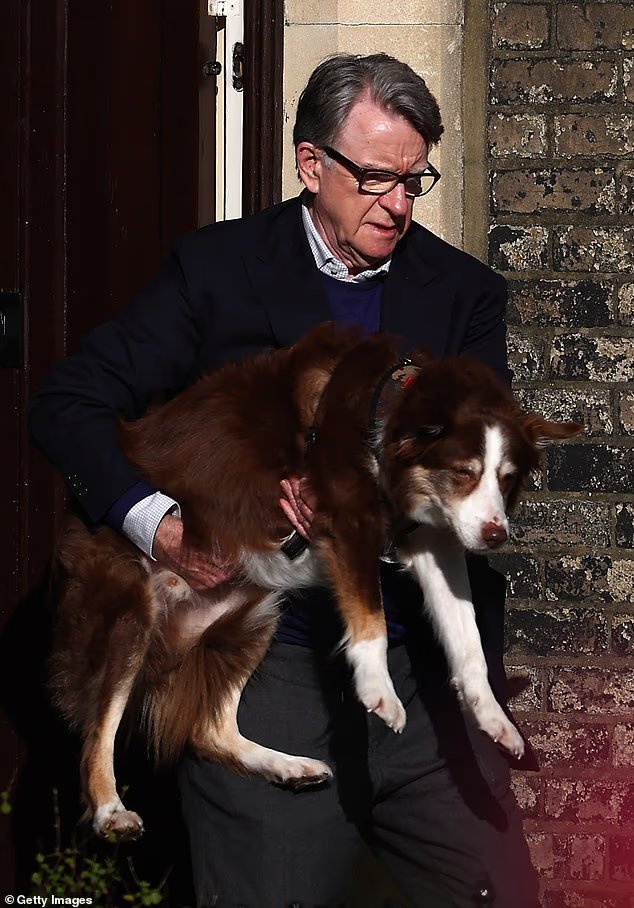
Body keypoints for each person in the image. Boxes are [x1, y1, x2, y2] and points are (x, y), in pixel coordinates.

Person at [29, 53, 539, 908]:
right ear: (311, 164)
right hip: (270, 674)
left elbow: (475, 472)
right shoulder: (216, 271)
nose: (399, 204)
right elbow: (67, 403)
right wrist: (160, 526)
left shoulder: (464, 294)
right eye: (376, 178)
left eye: (414, 180)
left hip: (420, 679)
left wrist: (365, 497)